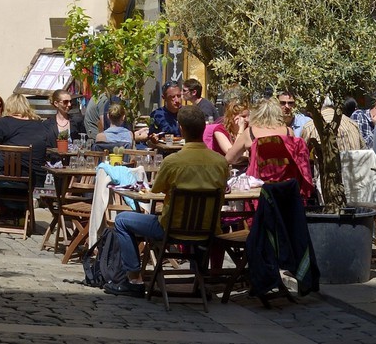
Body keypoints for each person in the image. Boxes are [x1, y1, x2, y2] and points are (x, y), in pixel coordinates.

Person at [106, 105, 229, 298]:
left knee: (122, 220)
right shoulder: (220, 163)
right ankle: (199, 281)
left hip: (171, 228)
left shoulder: (173, 162)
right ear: (204, 128)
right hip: (207, 229)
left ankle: (134, 279)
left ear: (181, 128)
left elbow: (155, 190)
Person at [241, 97, 315, 199]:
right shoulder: (289, 132)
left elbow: (230, 158)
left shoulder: (250, 132)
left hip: (260, 189)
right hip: (287, 189)